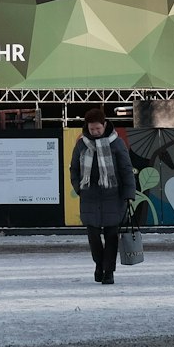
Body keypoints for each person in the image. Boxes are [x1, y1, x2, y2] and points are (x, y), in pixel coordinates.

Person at [70, 106, 136, 284]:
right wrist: (79, 188)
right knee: (93, 238)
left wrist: (129, 193)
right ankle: (99, 264)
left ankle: (109, 271)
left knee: (112, 237)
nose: (95, 132)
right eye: (92, 129)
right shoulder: (81, 144)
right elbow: (74, 168)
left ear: (105, 124)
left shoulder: (116, 143)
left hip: (113, 197)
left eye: (98, 128)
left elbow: (126, 169)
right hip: (89, 197)